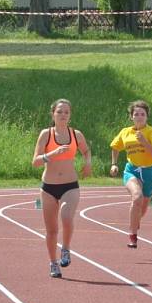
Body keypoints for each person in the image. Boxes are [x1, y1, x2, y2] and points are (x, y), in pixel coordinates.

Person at [32, 99, 92, 277]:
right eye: (59, 112)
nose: (63, 115)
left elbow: (86, 151)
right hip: (49, 187)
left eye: (66, 112)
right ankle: (53, 262)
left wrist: (88, 163)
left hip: (70, 185)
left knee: (66, 217)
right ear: (53, 114)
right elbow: (35, 162)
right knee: (51, 230)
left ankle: (65, 249)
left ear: (70, 115)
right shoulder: (46, 134)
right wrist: (51, 154)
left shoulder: (76, 135)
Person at [109, 100, 152, 248]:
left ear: (147, 117)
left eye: (142, 114)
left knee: (143, 206)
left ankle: (135, 222)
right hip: (131, 170)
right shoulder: (125, 132)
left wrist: (145, 142)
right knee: (137, 196)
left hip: (149, 172)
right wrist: (114, 164)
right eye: (136, 114)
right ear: (131, 117)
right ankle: (132, 235)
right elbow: (115, 147)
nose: (139, 117)